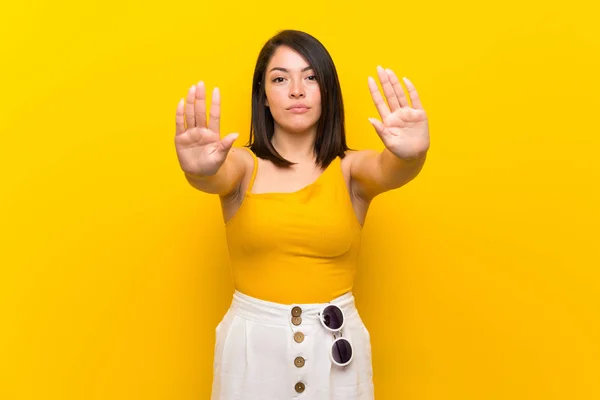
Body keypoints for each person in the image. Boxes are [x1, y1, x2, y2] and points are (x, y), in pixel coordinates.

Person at [174, 29, 429, 399]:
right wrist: (197, 169)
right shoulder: (242, 167)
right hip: (252, 352)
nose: (297, 90)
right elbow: (212, 177)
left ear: (327, 90)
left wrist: (412, 154)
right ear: (263, 95)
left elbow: (393, 170)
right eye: (280, 79)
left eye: (310, 77)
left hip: (336, 353)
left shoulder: (351, 170)